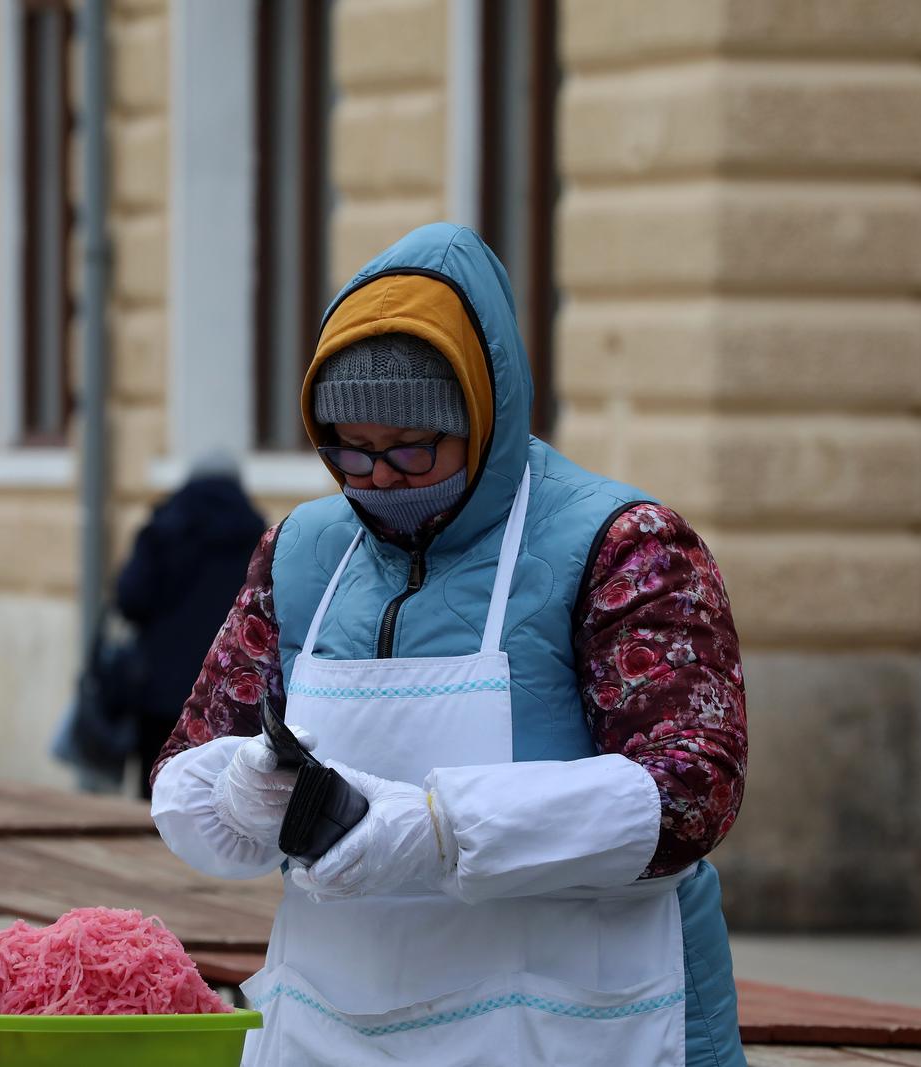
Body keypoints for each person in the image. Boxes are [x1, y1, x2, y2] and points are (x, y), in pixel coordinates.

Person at [151, 224, 748, 1065]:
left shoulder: (626, 547)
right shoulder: (301, 554)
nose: (380, 479)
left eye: (412, 448)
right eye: (350, 452)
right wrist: (238, 792)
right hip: (332, 1023)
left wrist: (439, 829)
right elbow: (188, 755)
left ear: (484, 411)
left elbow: (693, 787)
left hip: (574, 1026)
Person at [116, 452, 266, 800]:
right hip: (224, 691)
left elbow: (130, 599)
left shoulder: (163, 528)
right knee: (217, 795)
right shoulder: (255, 534)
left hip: (160, 688)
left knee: (156, 790)